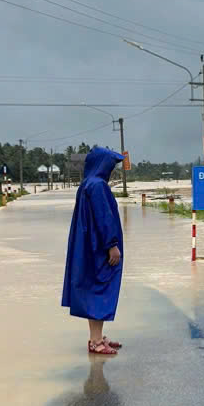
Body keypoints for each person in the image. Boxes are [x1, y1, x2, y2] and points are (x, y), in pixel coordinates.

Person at [61, 146, 124, 355]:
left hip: (89, 246)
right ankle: (96, 342)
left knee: (94, 290)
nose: (112, 170)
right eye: (111, 165)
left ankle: (96, 338)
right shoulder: (98, 186)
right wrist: (112, 245)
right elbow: (104, 218)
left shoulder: (87, 184)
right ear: (102, 164)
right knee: (100, 289)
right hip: (100, 248)